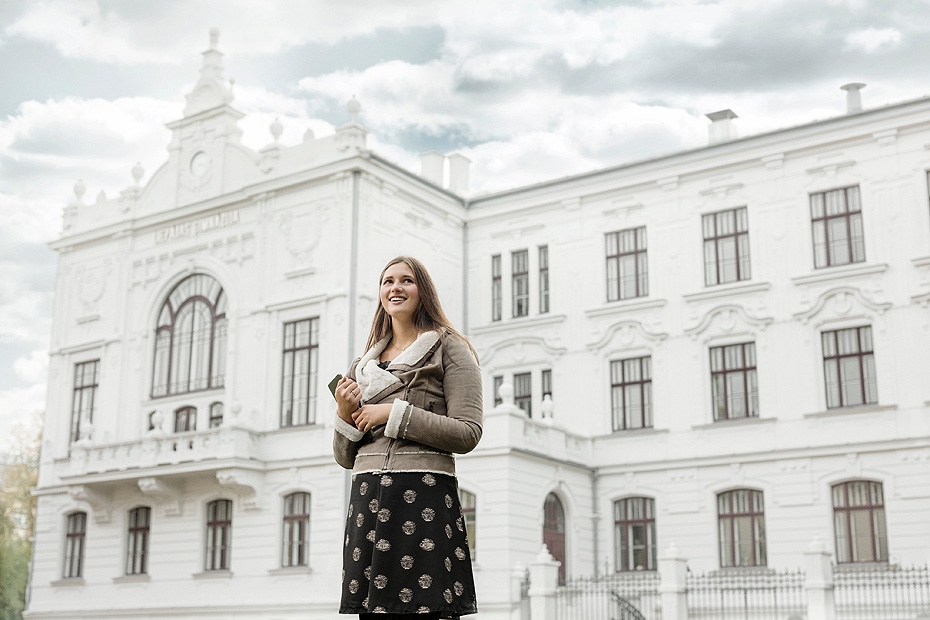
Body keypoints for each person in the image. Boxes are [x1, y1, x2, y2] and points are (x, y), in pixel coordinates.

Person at [333, 256, 482, 619]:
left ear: (423, 291)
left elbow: (468, 432)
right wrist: (342, 411)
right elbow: (344, 457)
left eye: (406, 281)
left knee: (427, 610)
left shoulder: (450, 348)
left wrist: (393, 414)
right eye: (387, 281)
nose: (395, 288)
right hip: (368, 497)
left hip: (424, 494)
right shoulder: (360, 367)